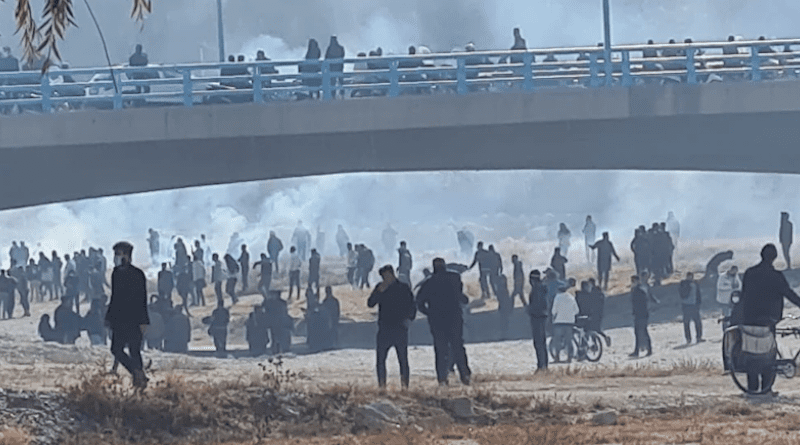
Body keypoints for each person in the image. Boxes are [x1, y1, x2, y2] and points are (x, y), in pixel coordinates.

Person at [740, 243, 800, 394]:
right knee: (768, 355)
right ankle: (767, 388)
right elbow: (789, 294)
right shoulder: (776, 276)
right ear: (774, 258)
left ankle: (752, 388)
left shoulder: (749, 273)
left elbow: (743, 294)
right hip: (768, 321)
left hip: (748, 319)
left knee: (751, 353)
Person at [416, 258, 471, 386]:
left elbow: (419, 303)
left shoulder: (428, 282)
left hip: (437, 322)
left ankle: (442, 379)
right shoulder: (454, 278)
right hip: (454, 318)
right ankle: (465, 375)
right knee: (458, 347)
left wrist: (429, 313)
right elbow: (460, 296)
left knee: (441, 349)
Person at [105, 241, 149, 388]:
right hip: (119, 320)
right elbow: (114, 297)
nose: (116, 257)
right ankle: (137, 373)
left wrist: (144, 321)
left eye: (118, 254)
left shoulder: (138, 274)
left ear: (127, 255)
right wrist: (109, 318)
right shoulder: (115, 273)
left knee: (134, 350)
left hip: (134, 320)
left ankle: (139, 381)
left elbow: (142, 299)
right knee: (116, 349)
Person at [367, 265, 416, 388]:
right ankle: (382, 387)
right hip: (384, 329)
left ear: (392, 274)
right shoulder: (380, 287)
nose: (385, 278)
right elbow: (370, 303)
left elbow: (412, 306)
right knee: (380, 360)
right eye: (383, 277)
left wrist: (409, 320)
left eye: (386, 275)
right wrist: (379, 292)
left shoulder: (403, 288)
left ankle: (405, 387)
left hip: (400, 328)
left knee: (403, 360)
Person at [629, 274, 659, 358]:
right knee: (637, 332)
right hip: (639, 314)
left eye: (633, 281)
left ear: (637, 281)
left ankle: (648, 350)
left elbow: (643, 303)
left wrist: (639, 312)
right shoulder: (635, 290)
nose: (632, 283)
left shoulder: (640, 290)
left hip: (642, 314)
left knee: (643, 332)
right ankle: (637, 351)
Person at [551, 282, 580, 363]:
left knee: (558, 340)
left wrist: (554, 316)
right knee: (569, 340)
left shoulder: (557, 297)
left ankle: (557, 357)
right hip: (569, 322)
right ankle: (569, 358)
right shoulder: (571, 297)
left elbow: (554, 310)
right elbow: (576, 310)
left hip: (559, 322)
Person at [526, 270, 548, 371]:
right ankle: (544, 365)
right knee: (542, 343)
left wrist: (529, 310)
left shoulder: (537, 289)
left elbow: (537, 305)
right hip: (542, 318)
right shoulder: (541, 288)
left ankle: (541, 366)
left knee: (539, 343)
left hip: (537, 318)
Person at [678, 272, 704, 345]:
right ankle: (688, 338)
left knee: (698, 322)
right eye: (688, 277)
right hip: (686, 305)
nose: (690, 278)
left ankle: (699, 337)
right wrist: (688, 286)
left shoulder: (695, 284)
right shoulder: (683, 283)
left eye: (691, 277)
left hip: (695, 305)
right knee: (686, 323)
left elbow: (698, 294)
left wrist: (699, 303)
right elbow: (682, 293)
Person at [717, 265, 741, 333]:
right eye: (733, 271)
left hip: (733, 300)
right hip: (724, 300)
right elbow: (720, 286)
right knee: (726, 316)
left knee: (732, 315)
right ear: (730, 270)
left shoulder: (736, 276)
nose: (734, 273)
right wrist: (730, 287)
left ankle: (732, 330)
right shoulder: (722, 276)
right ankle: (725, 331)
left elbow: (739, 285)